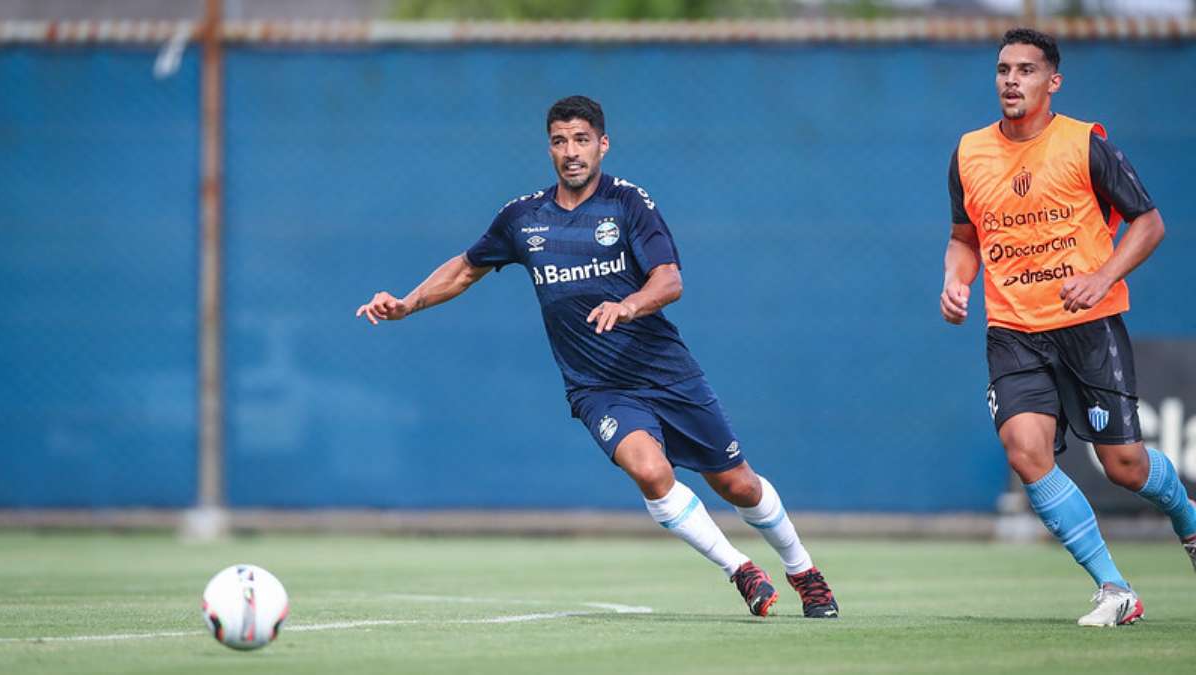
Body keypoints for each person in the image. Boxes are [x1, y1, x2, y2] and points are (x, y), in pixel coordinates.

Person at [356, 95, 837, 618]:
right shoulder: (523, 218)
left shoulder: (629, 204)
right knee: (651, 473)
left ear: (603, 145)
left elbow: (669, 279)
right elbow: (466, 268)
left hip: (665, 371)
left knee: (736, 483)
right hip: (598, 388)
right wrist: (407, 303)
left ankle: (802, 569)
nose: (571, 151)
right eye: (560, 141)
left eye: (582, 139)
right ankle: (740, 570)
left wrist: (630, 305)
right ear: (549, 149)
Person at [941, 28, 1195, 627]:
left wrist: (1103, 277)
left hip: (1089, 325)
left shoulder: (1084, 144)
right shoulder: (969, 153)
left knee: (1124, 466)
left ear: (1052, 82)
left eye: (1027, 70)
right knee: (1025, 451)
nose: (1011, 80)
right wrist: (956, 281)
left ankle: (1188, 520)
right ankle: (1114, 588)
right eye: (1004, 69)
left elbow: (1149, 224)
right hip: (1011, 331)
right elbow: (963, 238)